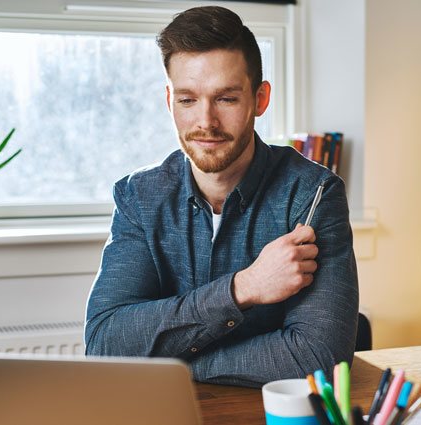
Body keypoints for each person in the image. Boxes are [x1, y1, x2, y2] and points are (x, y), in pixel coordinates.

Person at [84, 5, 358, 388]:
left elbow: (317, 357)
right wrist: (243, 287)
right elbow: (105, 344)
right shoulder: (138, 197)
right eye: (187, 100)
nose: (205, 122)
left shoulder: (312, 194)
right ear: (169, 101)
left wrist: (174, 366)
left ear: (260, 99)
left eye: (226, 99)